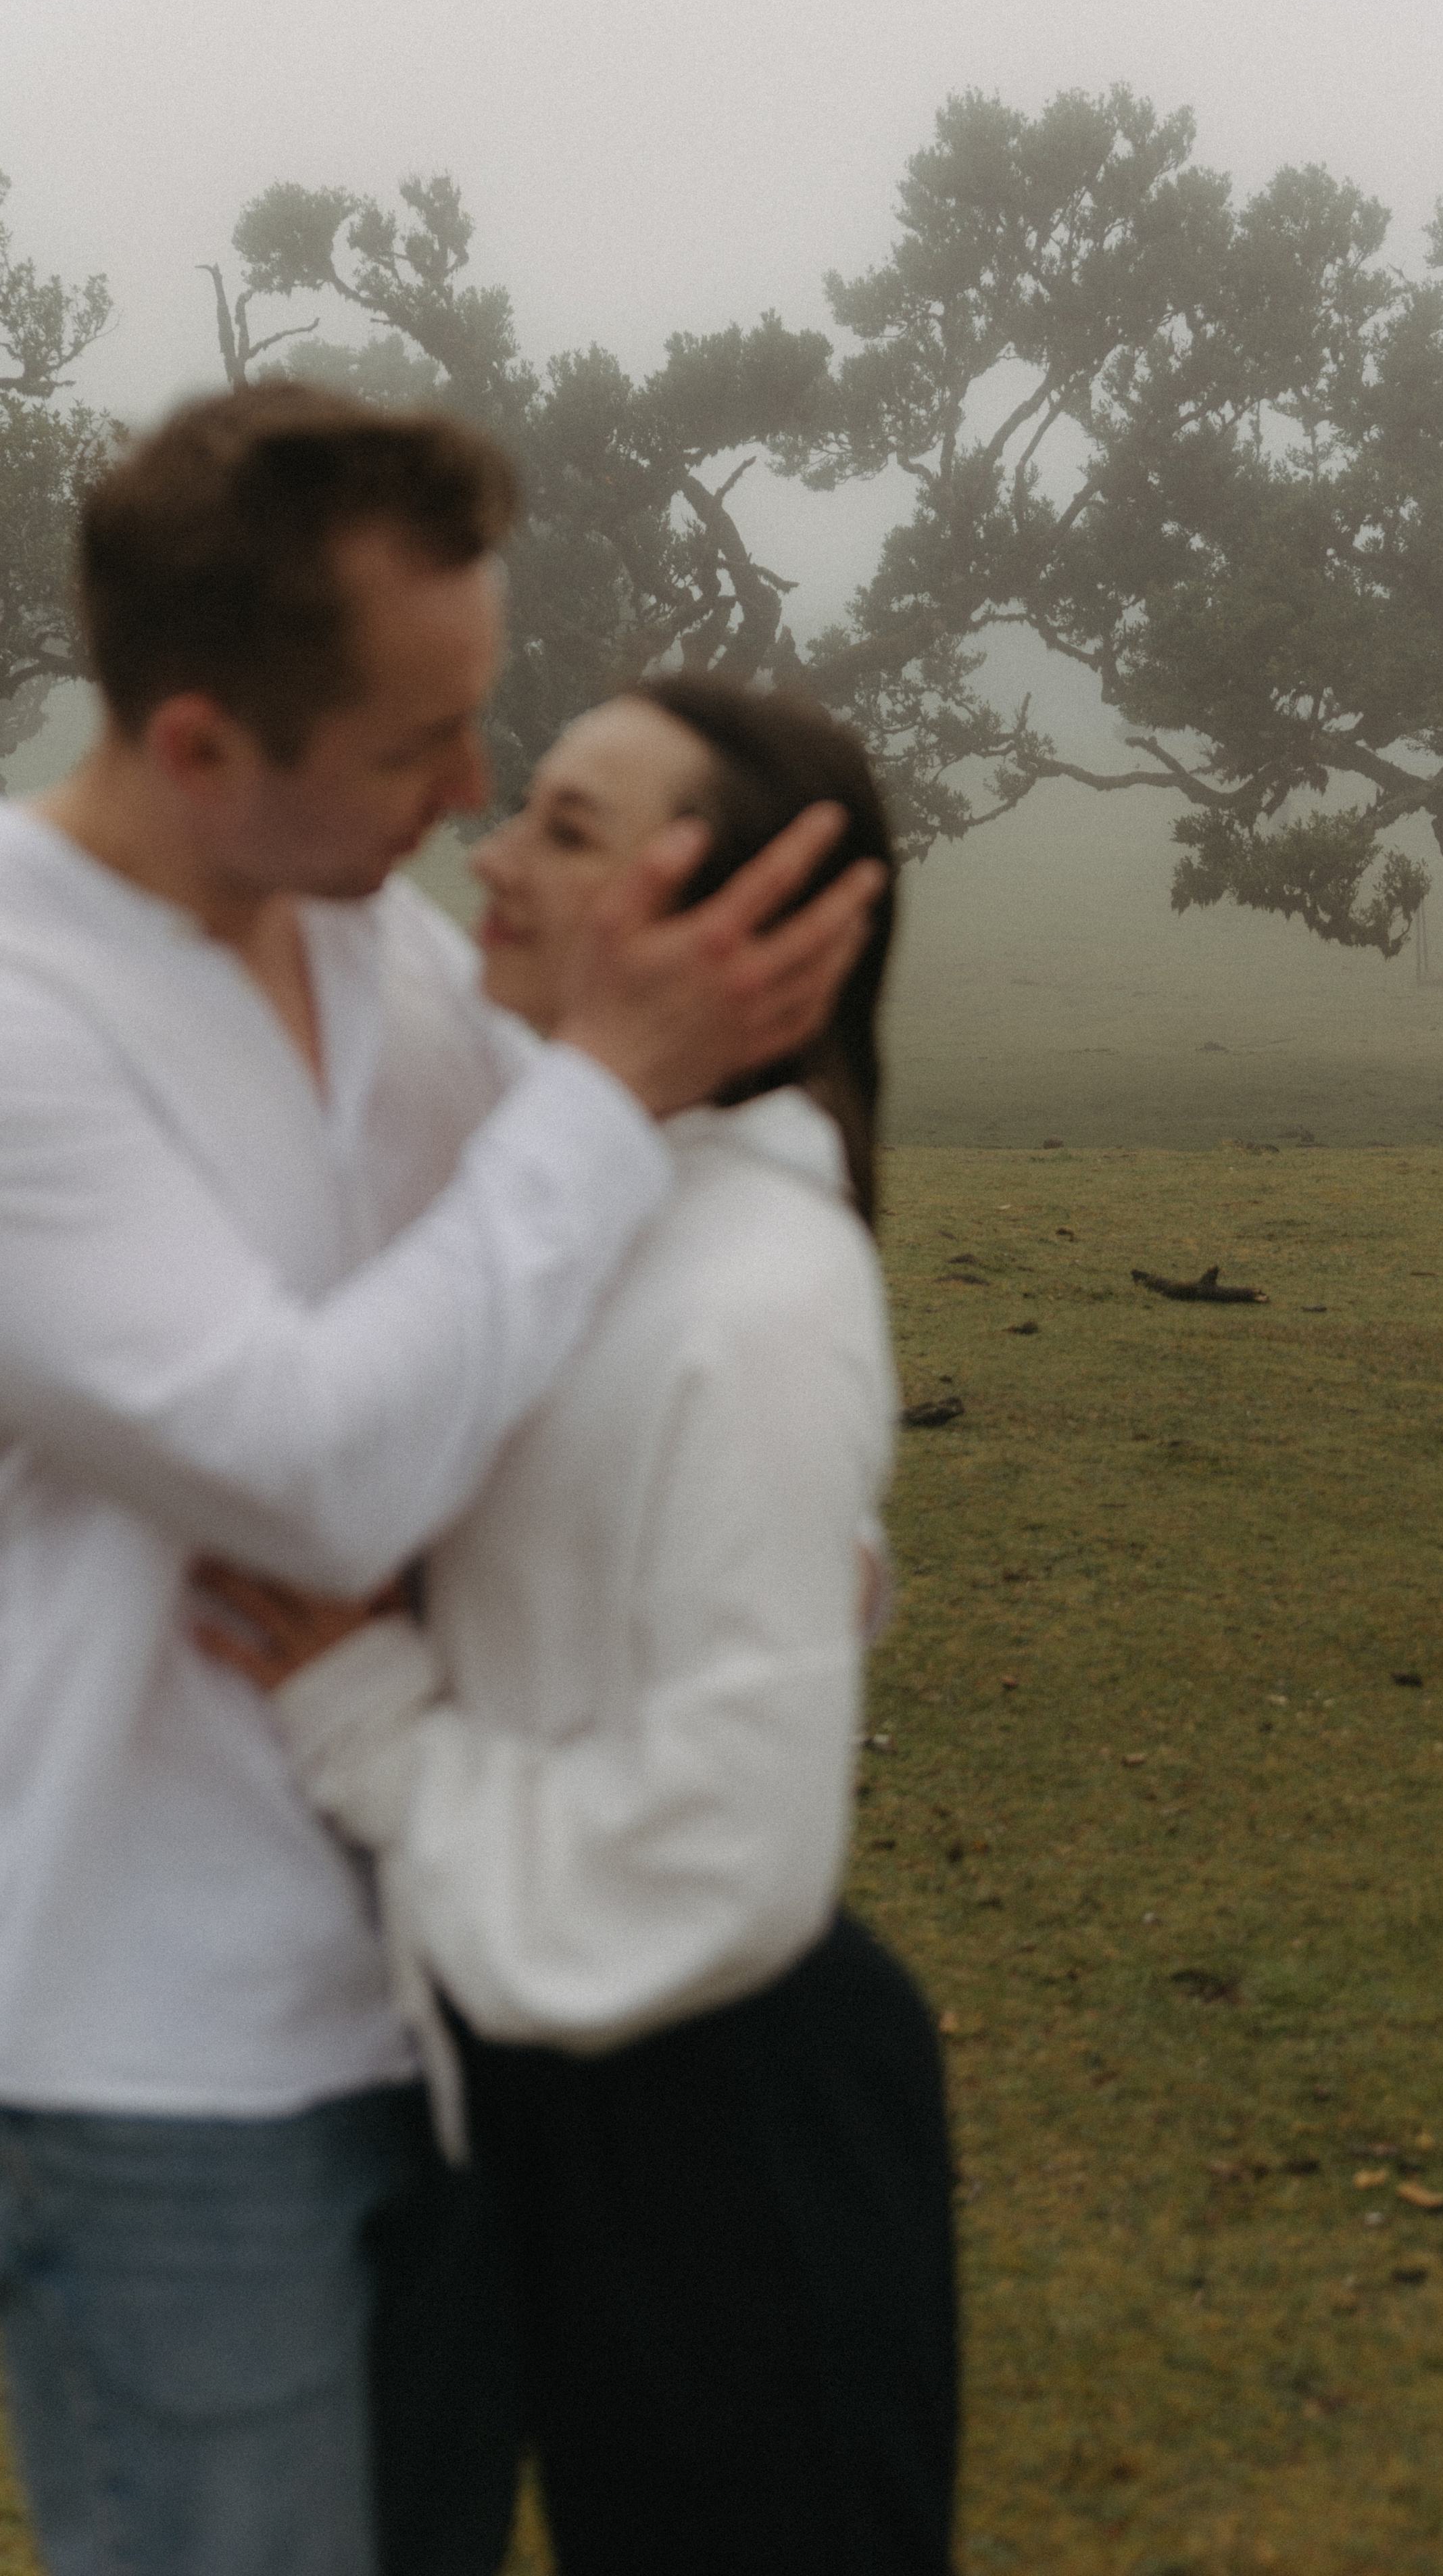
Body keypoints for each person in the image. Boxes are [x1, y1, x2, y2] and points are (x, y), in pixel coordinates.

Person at [0, 388, 881, 2576]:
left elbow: (583, 1280)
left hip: (459, 1987)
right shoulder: (24, 1019)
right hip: (159, 2047)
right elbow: (309, 1467)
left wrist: (740, 1508)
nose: (467, 797)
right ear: (201, 748)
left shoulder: (364, 933)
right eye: (419, 747)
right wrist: (605, 1078)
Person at [196, 675, 958, 2576]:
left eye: (566, 828)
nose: (492, 855)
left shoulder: (758, 1291)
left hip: (716, 2106)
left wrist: (367, 1714)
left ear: (741, 913)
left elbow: (720, 1858)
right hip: (494, 2071)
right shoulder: (590, 1193)